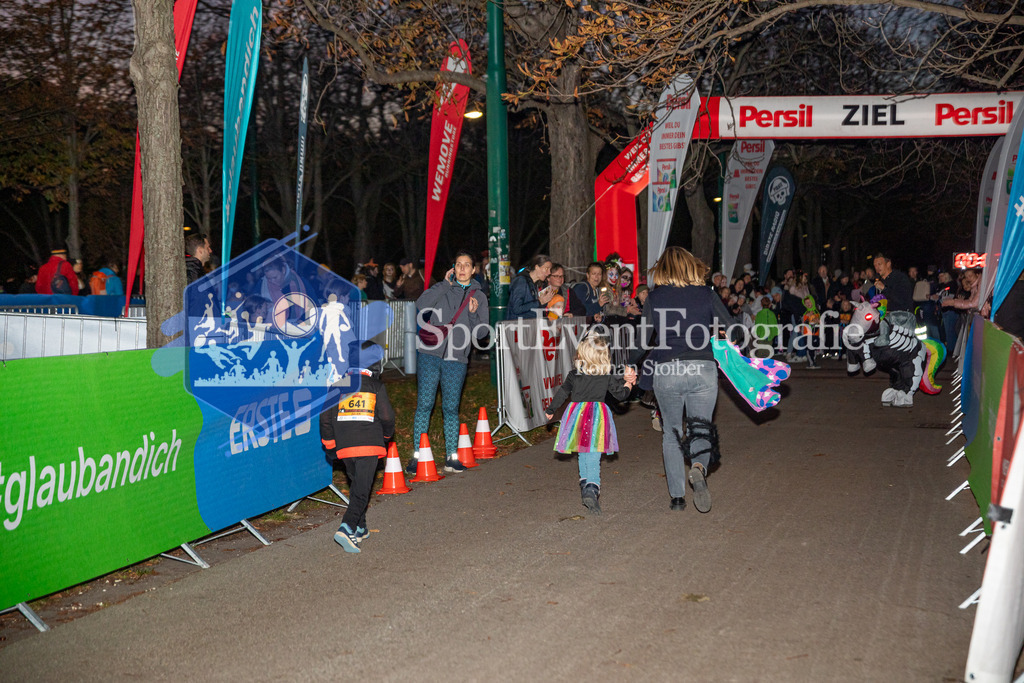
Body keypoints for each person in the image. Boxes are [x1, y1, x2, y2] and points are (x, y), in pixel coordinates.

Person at [641, 246, 735, 514]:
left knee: (671, 433)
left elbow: (642, 341)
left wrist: (626, 366)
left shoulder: (655, 297)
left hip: (667, 370)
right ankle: (698, 468)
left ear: (663, 270)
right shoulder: (707, 294)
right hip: (702, 368)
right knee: (700, 429)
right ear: (692, 266)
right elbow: (732, 327)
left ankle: (678, 498)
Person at [410, 250, 489, 474]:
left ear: (474, 270)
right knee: (425, 405)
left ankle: (451, 457)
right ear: (453, 268)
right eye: (458, 264)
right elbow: (421, 305)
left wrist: (473, 314)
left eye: (467, 265)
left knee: (451, 408)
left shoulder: (479, 296)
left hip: (457, 359)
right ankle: (418, 456)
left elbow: (482, 333)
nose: (463, 268)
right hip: (429, 355)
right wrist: (444, 285)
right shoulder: (441, 288)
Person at [544, 334, 636, 514]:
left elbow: (562, 393)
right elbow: (621, 395)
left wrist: (551, 409)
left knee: (582, 450)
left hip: (577, 416)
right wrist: (629, 384)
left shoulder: (574, 375)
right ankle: (592, 488)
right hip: (596, 417)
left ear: (581, 355)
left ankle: (585, 482)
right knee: (593, 451)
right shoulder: (606, 376)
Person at [320, 348, 395, 553]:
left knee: (357, 486)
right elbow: (387, 417)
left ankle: (360, 527)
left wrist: (330, 446)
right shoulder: (376, 386)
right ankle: (347, 526)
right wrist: (385, 437)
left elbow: (325, 419)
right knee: (362, 492)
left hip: (345, 448)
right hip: (369, 445)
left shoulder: (337, 386)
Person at [506, 254, 554, 319]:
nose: (549, 273)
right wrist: (539, 302)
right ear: (537, 267)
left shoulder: (535, 284)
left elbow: (533, 309)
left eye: (550, 270)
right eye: (546, 269)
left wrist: (544, 300)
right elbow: (517, 308)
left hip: (529, 325)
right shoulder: (521, 281)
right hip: (518, 326)